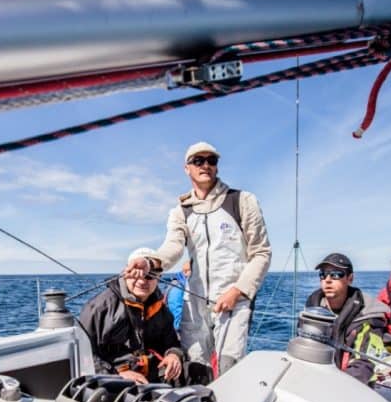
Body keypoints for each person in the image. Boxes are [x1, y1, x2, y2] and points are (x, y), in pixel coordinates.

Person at [126, 141, 271, 375]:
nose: (205, 165)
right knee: (193, 369)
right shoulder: (180, 211)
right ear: (187, 168)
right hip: (194, 302)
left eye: (211, 160)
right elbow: (173, 247)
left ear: (217, 166)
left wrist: (238, 291)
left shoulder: (242, 201)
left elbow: (261, 252)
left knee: (228, 366)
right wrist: (150, 262)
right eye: (198, 161)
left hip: (233, 298)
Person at [79, 248, 184, 384]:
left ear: (159, 277)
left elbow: (172, 343)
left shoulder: (160, 308)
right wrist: (117, 374)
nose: (142, 281)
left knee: (195, 372)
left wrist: (174, 355)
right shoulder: (98, 308)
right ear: (125, 273)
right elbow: (84, 355)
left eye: (149, 276)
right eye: (136, 275)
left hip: (151, 374)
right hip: (113, 378)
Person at [305, 252, 388, 385]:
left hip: (355, 385)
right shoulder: (312, 307)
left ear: (350, 278)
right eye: (323, 274)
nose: (327, 279)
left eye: (336, 274)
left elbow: (365, 364)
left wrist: (337, 387)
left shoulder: (369, 315)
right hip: (318, 377)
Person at [164, 260, 191, 330]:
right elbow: (176, 315)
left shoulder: (184, 285)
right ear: (185, 272)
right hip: (179, 332)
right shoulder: (177, 289)